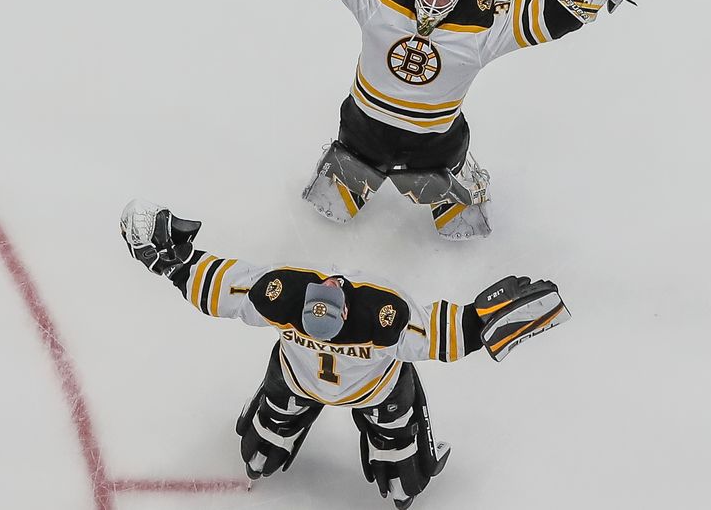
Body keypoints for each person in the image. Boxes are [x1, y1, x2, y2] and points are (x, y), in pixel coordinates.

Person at [243, 0, 635, 238]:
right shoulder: (446, 14)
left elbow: (540, 17)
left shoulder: (446, 14)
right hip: (392, 138)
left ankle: (361, 180)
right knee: (442, 186)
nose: (432, 5)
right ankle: (425, 186)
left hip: (401, 140)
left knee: (437, 202)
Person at [120, 199, 570, 508]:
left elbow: (213, 287)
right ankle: (401, 485)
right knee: (397, 438)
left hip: (298, 380)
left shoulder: (279, 298)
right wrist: (489, 320)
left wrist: (169, 261)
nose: (332, 282)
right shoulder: (383, 318)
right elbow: (446, 335)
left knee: (275, 415)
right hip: (373, 391)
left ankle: (262, 454)